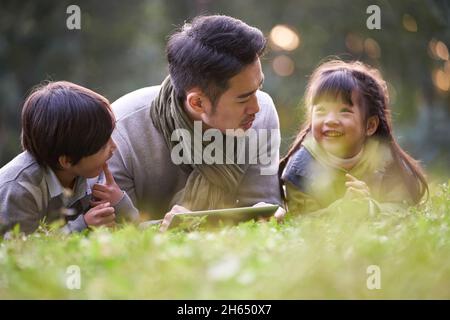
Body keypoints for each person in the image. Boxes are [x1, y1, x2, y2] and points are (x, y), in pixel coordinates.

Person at [109, 15, 284, 226]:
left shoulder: (262, 113)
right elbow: (113, 230)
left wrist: (264, 215)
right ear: (198, 103)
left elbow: (263, 205)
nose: (256, 107)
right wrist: (164, 230)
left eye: (259, 88)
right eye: (244, 98)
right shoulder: (121, 129)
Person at [279, 60, 428, 217]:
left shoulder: (386, 160)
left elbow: (404, 209)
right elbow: (302, 220)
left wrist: (370, 208)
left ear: (370, 126)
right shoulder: (300, 169)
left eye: (344, 111)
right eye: (321, 111)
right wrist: (344, 209)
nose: (330, 120)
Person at [0, 81, 139, 236]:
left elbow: (133, 234)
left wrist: (119, 202)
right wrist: (82, 225)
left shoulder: (85, 172)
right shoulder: (19, 190)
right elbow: (22, 252)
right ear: (66, 160)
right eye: (101, 146)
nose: (114, 147)